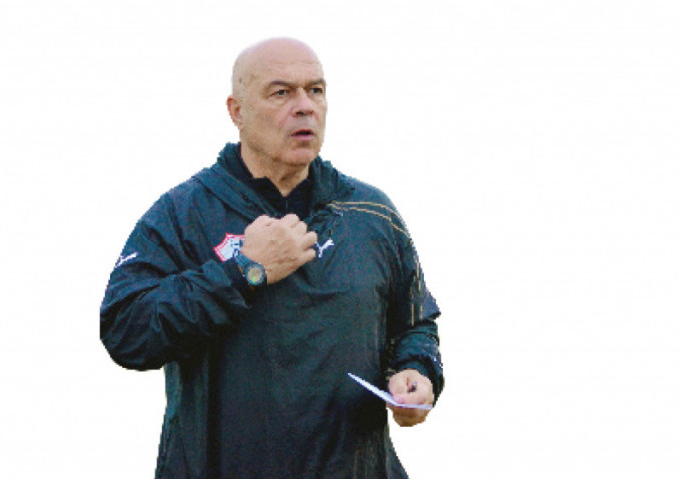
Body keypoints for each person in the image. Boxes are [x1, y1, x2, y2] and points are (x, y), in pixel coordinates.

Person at [100, 37, 443, 479]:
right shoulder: (184, 213)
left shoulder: (371, 213)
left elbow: (415, 324)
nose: (305, 107)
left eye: (315, 90)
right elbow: (125, 331)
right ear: (237, 111)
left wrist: (415, 372)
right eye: (281, 93)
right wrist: (244, 272)